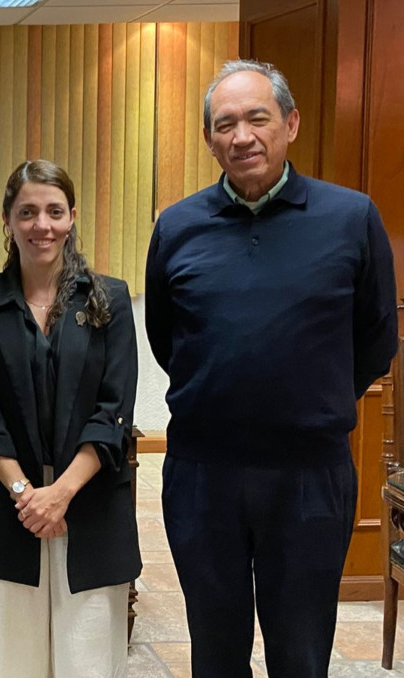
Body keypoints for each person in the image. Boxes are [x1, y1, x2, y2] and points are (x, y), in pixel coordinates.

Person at [146, 59, 397, 678]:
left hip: (309, 474)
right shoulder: (177, 226)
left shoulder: (351, 217)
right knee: (215, 650)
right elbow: (167, 338)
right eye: (225, 124)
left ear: (291, 123)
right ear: (209, 139)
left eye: (257, 118)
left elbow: (376, 338)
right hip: (203, 475)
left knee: (302, 653)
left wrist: (310, 401)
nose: (242, 136)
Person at [0, 159, 140, 677]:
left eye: (55, 211)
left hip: (91, 504)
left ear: (72, 217)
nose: (42, 225)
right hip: (8, 508)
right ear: (7, 220)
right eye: (27, 212)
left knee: (89, 660)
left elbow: (114, 409)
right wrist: (27, 495)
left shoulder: (109, 299)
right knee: (12, 662)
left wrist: (60, 494)